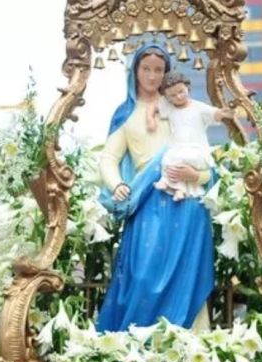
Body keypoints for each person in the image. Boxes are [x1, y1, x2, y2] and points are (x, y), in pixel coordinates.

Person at [96, 46, 214, 332]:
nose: (152, 76)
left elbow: (205, 157)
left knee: (188, 274)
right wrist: (118, 184)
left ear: (167, 74)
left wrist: (196, 175)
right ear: (135, 71)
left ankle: (190, 345)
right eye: (146, 69)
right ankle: (138, 344)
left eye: (158, 70)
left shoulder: (182, 108)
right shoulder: (126, 114)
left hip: (187, 203)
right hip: (147, 201)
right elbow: (108, 158)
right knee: (143, 276)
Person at [148, 72, 233, 201]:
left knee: (187, 160)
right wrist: (150, 119)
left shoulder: (198, 107)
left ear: (187, 87)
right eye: (172, 95)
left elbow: (213, 113)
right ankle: (176, 187)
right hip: (178, 147)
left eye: (181, 91)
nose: (178, 97)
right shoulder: (170, 108)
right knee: (168, 159)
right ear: (167, 98)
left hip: (196, 147)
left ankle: (178, 187)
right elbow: (154, 106)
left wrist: (222, 113)